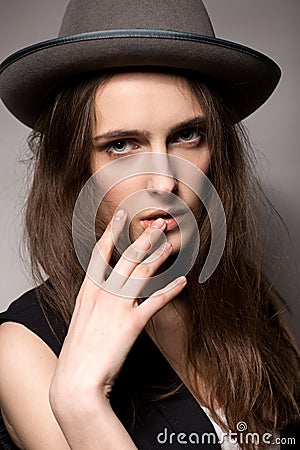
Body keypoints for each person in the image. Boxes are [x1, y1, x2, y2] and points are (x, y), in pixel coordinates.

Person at [0, 1, 299, 449]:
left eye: (186, 136)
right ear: (74, 167)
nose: (164, 181)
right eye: (121, 145)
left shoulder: (254, 299)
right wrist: (80, 401)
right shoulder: (22, 352)